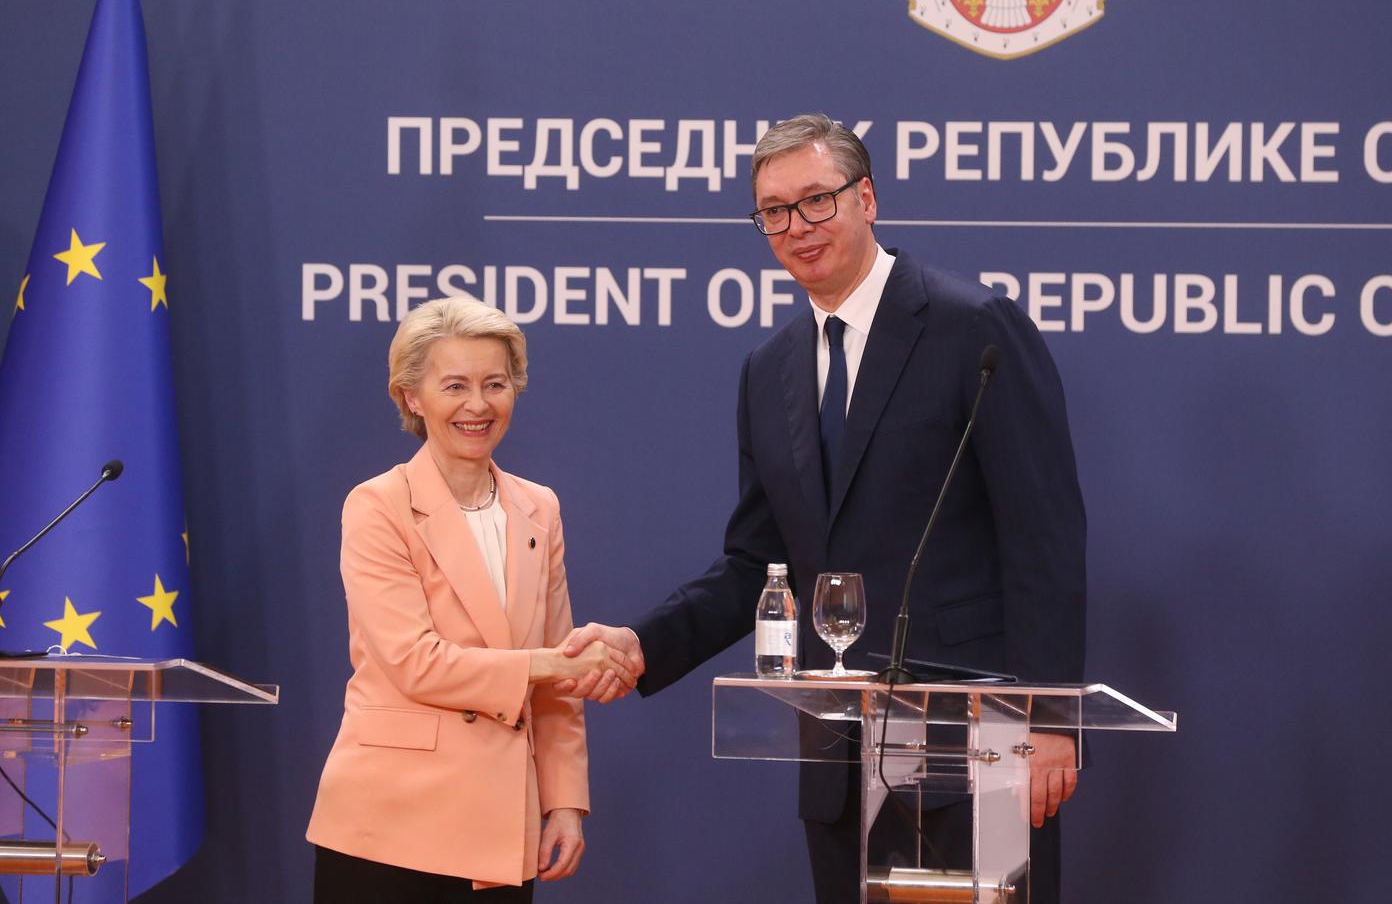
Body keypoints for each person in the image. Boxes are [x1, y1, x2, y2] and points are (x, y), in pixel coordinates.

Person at [562, 114, 1088, 902]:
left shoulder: (969, 326)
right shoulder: (767, 369)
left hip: (977, 745)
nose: (796, 226)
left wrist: (1049, 717)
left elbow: (1043, 531)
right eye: (774, 210)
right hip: (843, 759)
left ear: (867, 197)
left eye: (817, 200)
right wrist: (644, 643)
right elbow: (756, 563)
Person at [307, 296, 635, 902]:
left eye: (496, 383)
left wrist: (564, 802)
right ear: (411, 396)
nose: (478, 405)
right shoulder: (377, 505)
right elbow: (417, 662)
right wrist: (554, 663)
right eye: (454, 385)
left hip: (501, 824)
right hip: (388, 822)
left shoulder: (540, 507)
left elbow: (559, 687)